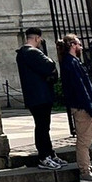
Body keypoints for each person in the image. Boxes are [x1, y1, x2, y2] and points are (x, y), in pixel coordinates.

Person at [58, 34, 92, 182]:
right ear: (72, 45)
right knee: (84, 141)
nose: (81, 47)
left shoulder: (72, 62)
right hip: (81, 107)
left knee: (86, 140)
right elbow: (80, 88)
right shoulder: (70, 63)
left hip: (82, 106)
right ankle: (85, 171)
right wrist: (91, 109)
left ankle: (88, 168)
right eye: (79, 44)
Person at [17, 27, 64, 170]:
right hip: (40, 95)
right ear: (37, 38)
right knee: (42, 127)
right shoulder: (32, 52)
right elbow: (50, 65)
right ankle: (44, 157)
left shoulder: (22, 53)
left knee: (43, 126)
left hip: (34, 95)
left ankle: (49, 153)